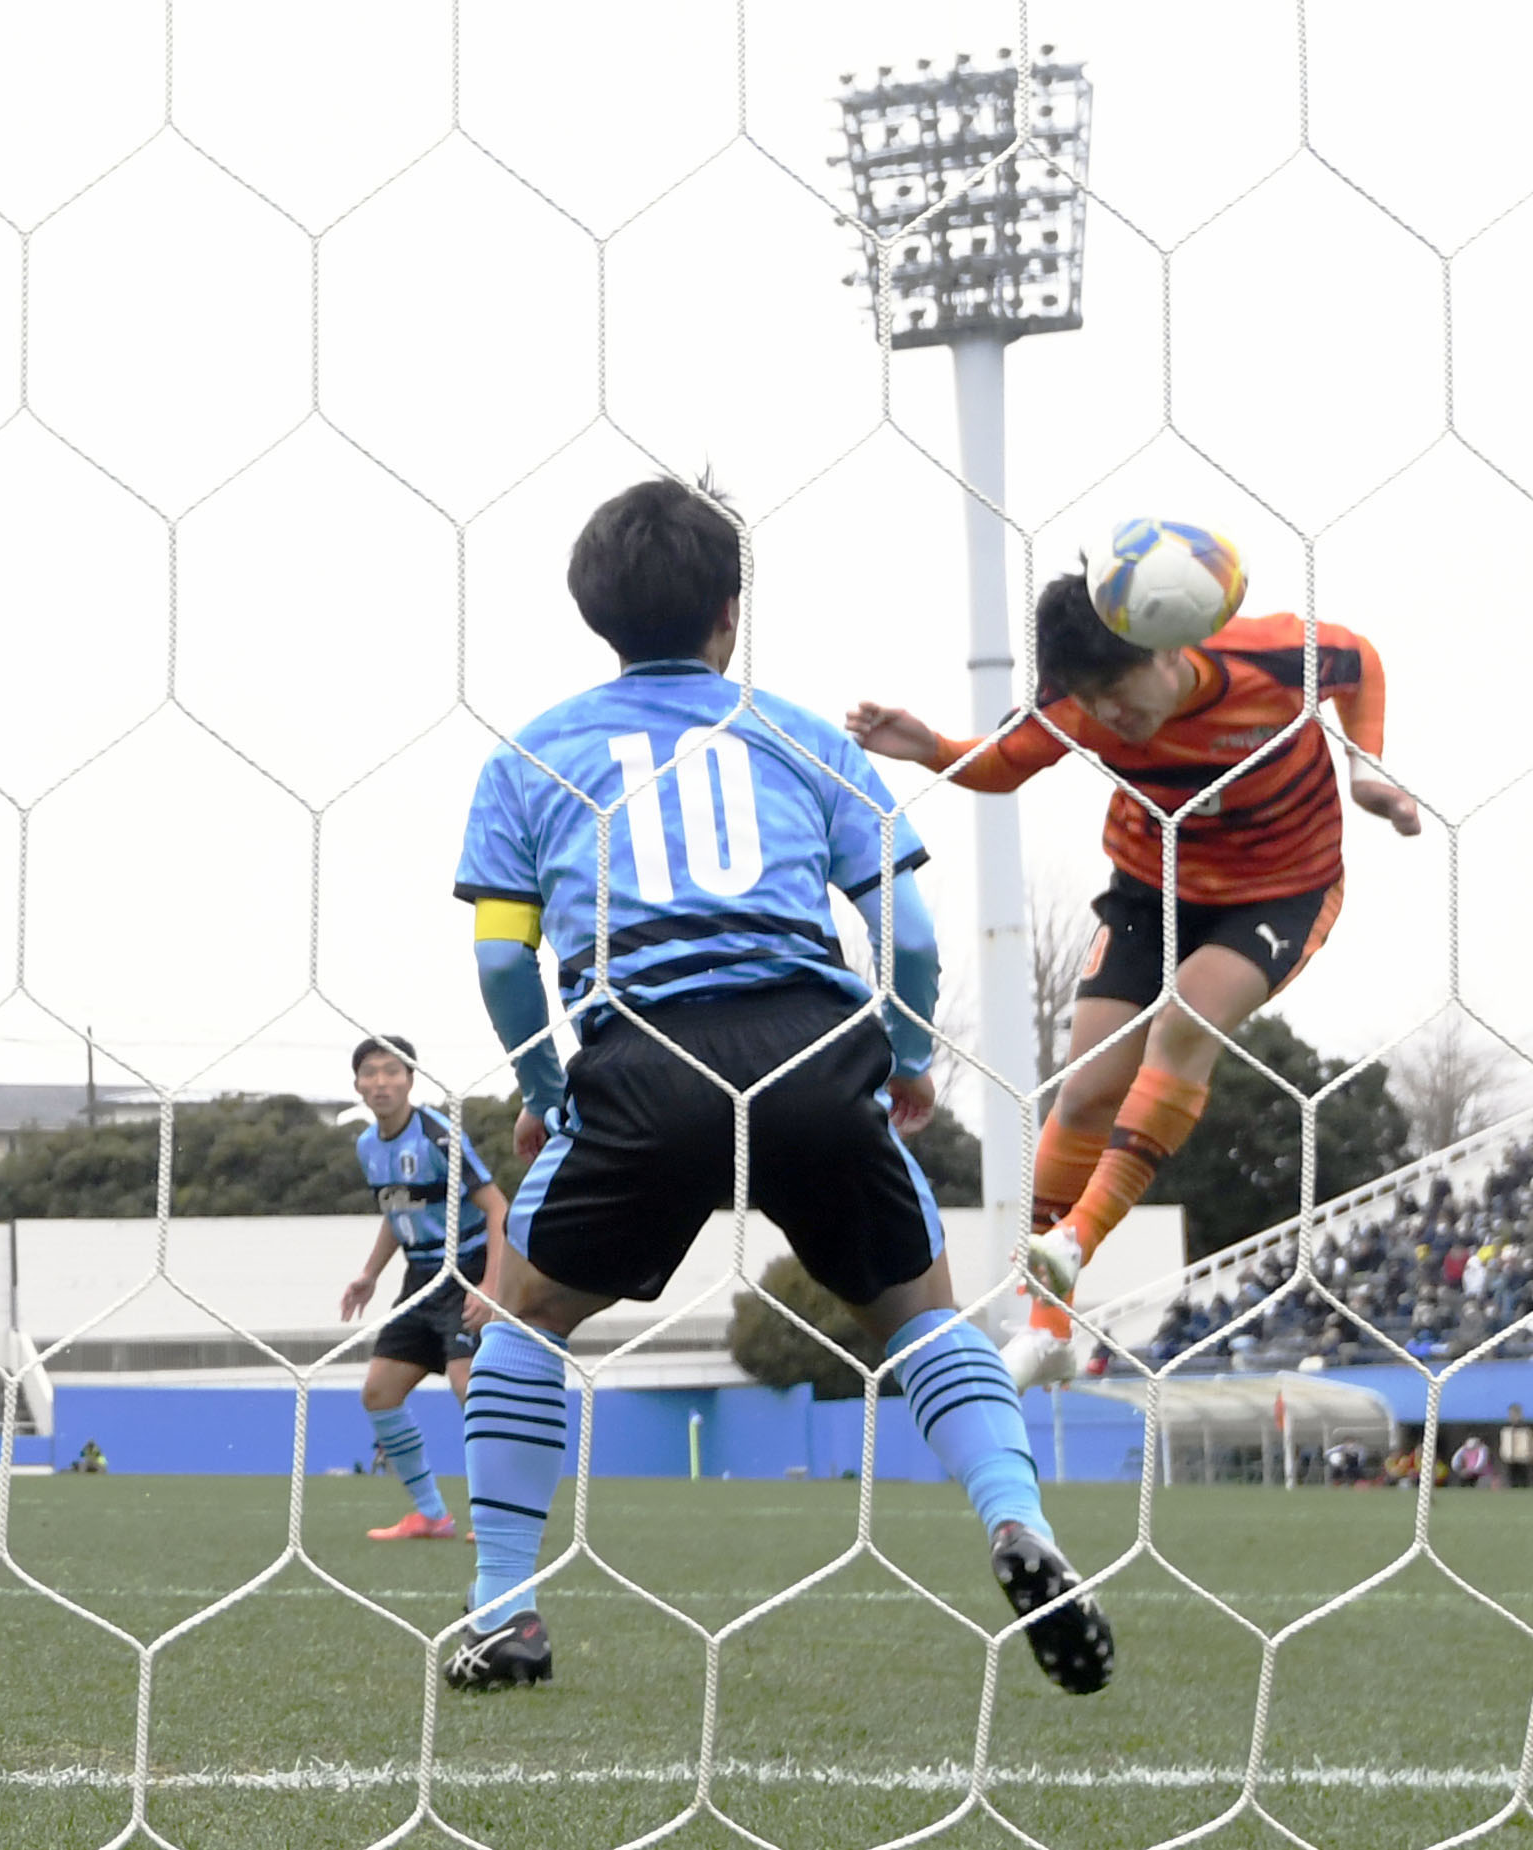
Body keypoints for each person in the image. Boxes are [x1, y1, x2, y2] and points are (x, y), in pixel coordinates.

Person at [446, 478, 1110, 1695]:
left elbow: (499, 956)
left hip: (646, 1060)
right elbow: (906, 932)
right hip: (812, 1051)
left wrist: (548, 1084)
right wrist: (904, 1061)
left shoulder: (532, 756)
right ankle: (1019, 1523)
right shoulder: (800, 734)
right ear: (729, 613)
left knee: (521, 1317)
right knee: (921, 1317)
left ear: (596, 617)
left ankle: (504, 1607)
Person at [848, 570, 1416, 1387]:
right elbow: (1006, 761)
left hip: (1281, 890)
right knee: (1083, 1093)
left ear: (1165, 649)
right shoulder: (1079, 705)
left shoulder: (1263, 655)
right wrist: (930, 746)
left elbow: (1357, 660)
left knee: (1183, 1023)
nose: (1111, 715)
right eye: (1091, 697)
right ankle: (1047, 1328)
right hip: (1152, 888)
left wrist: (1366, 767)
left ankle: (1075, 1238)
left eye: (1117, 688)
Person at [341, 1034, 507, 1543]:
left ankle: (504, 1515)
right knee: (379, 1393)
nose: (381, 1082)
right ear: (358, 1085)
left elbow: (499, 1209)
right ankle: (432, 1516)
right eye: (371, 1072)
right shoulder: (368, 1145)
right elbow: (399, 1211)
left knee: (468, 1388)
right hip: (420, 1279)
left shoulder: (438, 1136)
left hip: (466, 1271)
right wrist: (369, 1273)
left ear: (411, 1079)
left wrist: (489, 1287)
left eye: (392, 1071)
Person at [1498, 1405, 1533, 1489]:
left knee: (1522, 1475)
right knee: (1512, 1475)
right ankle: (1513, 1489)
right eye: (1511, 1414)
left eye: (1515, 1413)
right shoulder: (1506, 1426)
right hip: (1510, 1456)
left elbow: (1532, 1440)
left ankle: (1523, 1490)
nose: (1513, 1416)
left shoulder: (1526, 1427)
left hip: (1523, 1455)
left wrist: (1531, 1452)